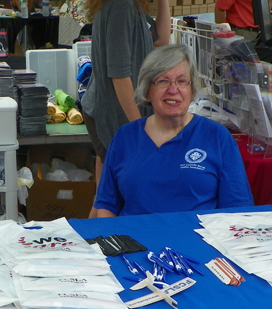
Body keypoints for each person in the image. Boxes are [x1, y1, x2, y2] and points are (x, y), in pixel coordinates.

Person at [94, 44, 254, 218]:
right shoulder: (124, 137)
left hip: (196, 243)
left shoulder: (217, 137)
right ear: (147, 91)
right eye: (163, 81)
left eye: (182, 81)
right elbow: (106, 205)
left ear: (192, 89)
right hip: (136, 243)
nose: (173, 90)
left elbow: (238, 210)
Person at [80, 0, 170, 218]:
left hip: (112, 111)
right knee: (108, 200)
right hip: (112, 114)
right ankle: (97, 243)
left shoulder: (132, 5)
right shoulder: (122, 5)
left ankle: (94, 242)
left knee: (105, 196)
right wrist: (139, 127)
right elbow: (119, 75)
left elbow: (162, 39)